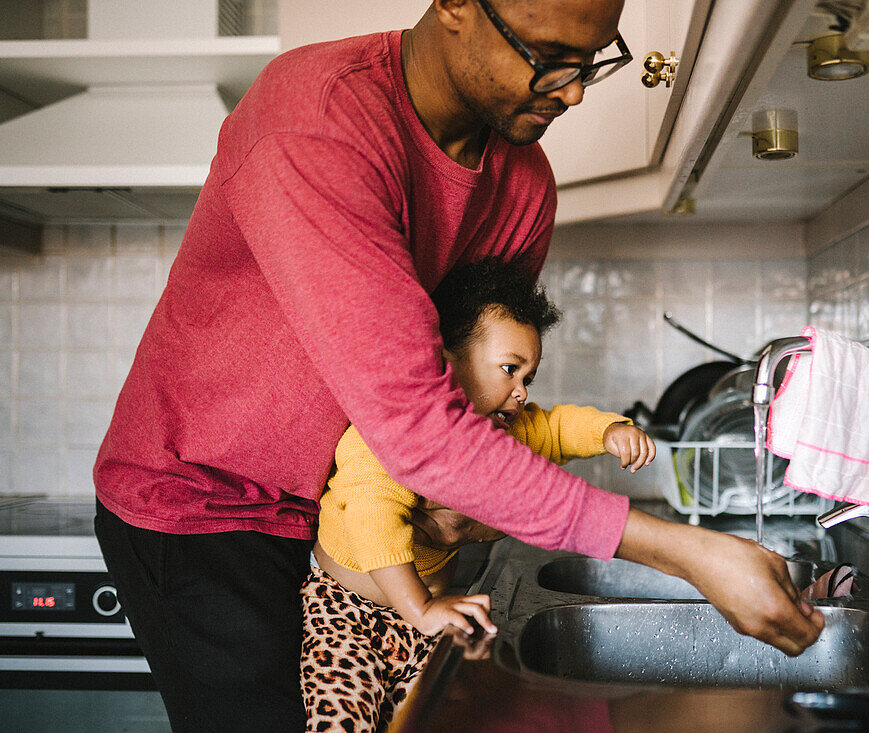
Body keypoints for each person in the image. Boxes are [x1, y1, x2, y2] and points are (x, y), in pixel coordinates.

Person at [93, 1, 824, 730]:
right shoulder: (315, 115)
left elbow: (468, 405)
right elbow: (419, 426)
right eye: (548, 56)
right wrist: (690, 553)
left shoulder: (524, 185)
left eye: (595, 60)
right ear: (455, 6)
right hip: (204, 506)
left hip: (342, 515)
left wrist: (462, 510)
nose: (572, 91)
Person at [301, 256, 656, 731]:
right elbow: (371, 520)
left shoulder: (500, 432)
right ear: (448, 363)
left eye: (527, 377)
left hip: (424, 618)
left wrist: (610, 429)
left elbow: (554, 427)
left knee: (427, 721)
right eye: (509, 370)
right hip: (344, 611)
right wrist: (420, 608)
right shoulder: (387, 430)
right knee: (341, 723)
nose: (522, 392)